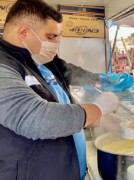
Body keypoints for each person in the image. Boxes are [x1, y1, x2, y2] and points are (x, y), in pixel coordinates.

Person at [0, 0, 120, 179]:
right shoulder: (4, 66)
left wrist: (99, 118)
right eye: (51, 37)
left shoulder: (42, 60)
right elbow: (36, 118)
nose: (56, 43)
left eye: (59, 36)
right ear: (24, 32)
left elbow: (72, 73)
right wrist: (96, 110)